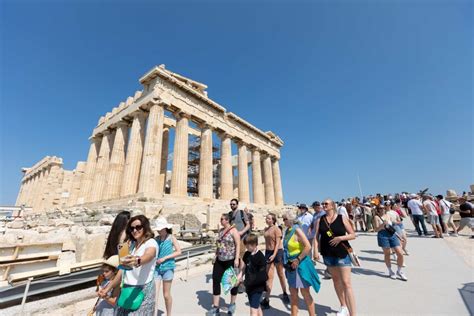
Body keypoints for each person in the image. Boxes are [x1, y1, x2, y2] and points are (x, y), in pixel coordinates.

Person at [99, 215, 158, 315]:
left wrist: (136, 260)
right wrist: (107, 289)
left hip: (143, 291)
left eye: (138, 227)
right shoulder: (130, 246)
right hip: (127, 290)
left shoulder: (151, 242)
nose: (135, 230)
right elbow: (122, 270)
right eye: (132, 228)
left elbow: (149, 255)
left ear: (145, 227)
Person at [313, 200, 357, 316]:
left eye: (326, 204)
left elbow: (353, 235)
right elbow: (316, 237)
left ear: (332, 206)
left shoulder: (341, 218)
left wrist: (340, 238)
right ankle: (343, 306)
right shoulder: (320, 220)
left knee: (346, 283)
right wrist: (315, 251)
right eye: (323, 204)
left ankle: (353, 313)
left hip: (342, 253)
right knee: (336, 280)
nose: (323, 205)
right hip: (327, 254)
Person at [282, 209, 321, 316]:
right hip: (290, 266)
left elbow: (308, 246)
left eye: (284, 219)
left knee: (305, 293)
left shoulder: (297, 230)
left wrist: (298, 259)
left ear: (290, 219)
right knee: (293, 294)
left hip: (299, 265)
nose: (283, 221)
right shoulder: (287, 231)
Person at [207, 213, 241, 316]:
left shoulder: (234, 231)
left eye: (222, 219)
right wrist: (215, 255)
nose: (220, 221)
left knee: (231, 283)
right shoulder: (221, 231)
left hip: (230, 259)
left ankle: (232, 304)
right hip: (219, 259)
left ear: (227, 220)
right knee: (216, 280)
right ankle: (215, 307)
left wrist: (236, 258)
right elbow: (219, 244)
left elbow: (238, 244)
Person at [154, 217, 182, 316]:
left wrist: (165, 258)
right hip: (156, 269)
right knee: (155, 296)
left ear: (165, 228)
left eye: (160, 228)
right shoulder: (156, 239)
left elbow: (179, 252)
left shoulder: (171, 237)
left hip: (168, 268)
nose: (158, 230)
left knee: (166, 295)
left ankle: (169, 314)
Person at [261, 213, 289, 309]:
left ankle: (285, 292)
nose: (266, 219)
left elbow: (278, 243)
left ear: (273, 220)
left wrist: (274, 254)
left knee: (280, 274)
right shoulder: (265, 229)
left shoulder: (277, 229)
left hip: (277, 252)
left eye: (268, 218)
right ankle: (267, 299)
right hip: (268, 252)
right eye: (266, 218)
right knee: (269, 276)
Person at [374, 207, 407, 281]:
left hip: (392, 235)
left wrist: (399, 236)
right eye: (381, 208)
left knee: (400, 253)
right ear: (378, 210)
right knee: (387, 254)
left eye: (383, 208)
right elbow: (376, 229)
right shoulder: (376, 217)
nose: (382, 209)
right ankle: (390, 271)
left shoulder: (388, 215)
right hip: (382, 235)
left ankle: (399, 271)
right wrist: (382, 224)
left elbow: (391, 228)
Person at [237, 233, 267, 316]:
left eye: (247, 246)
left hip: (257, 287)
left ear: (254, 245)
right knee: (257, 307)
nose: (246, 248)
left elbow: (262, 276)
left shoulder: (260, 257)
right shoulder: (247, 254)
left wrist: (247, 283)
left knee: (253, 311)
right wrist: (239, 276)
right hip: (249, 287)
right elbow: (243, 267)